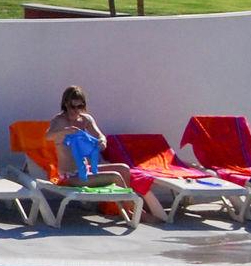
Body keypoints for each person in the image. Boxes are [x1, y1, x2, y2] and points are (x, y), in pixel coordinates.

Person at [47, 85, 165, 220]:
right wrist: (64, 132)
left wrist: (102, 142)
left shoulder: (85, 119)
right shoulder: (59, 120)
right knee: (115, 176)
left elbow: (100, 136)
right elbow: (48, 136)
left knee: (124, 169)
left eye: (79, 107)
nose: (76, 111)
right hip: (69, 176)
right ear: (66, 104)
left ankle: (124, 209)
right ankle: (136, 211)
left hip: (85, 170)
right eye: (73, 107)